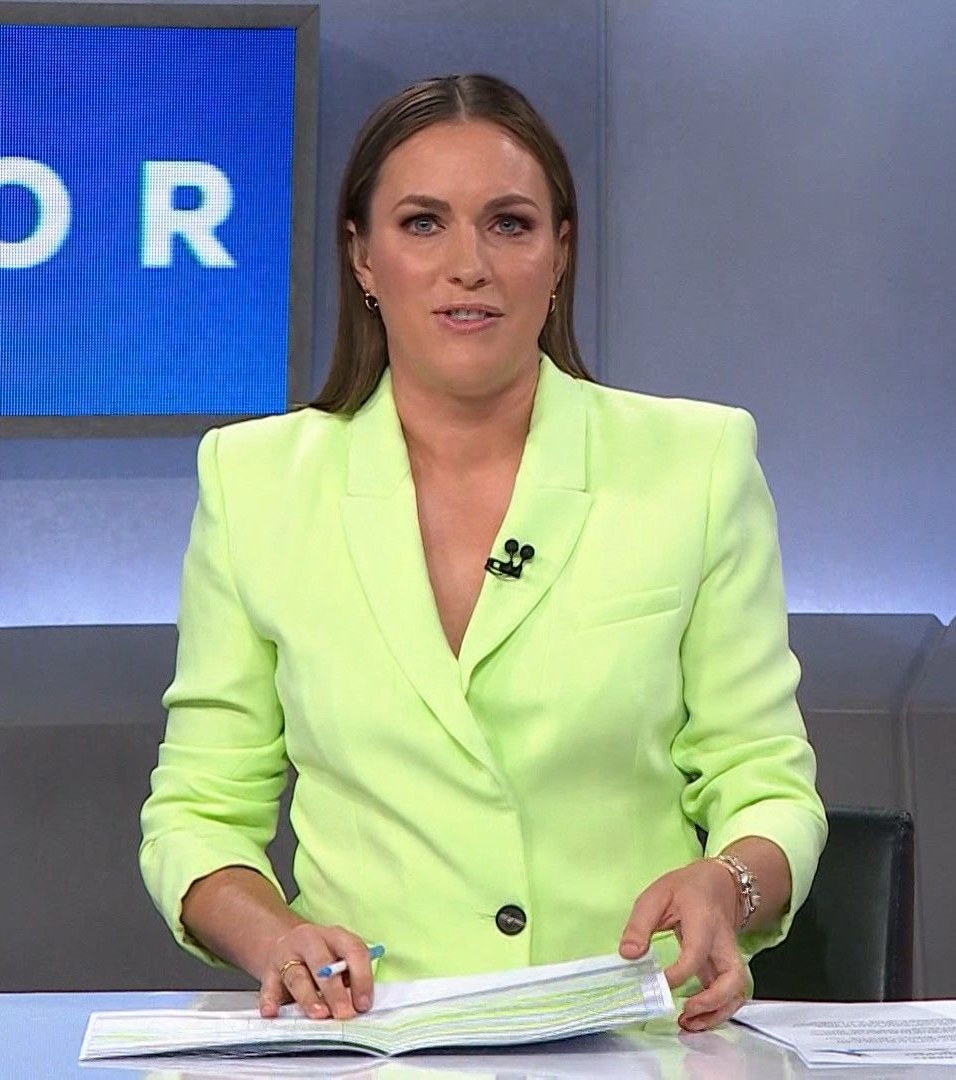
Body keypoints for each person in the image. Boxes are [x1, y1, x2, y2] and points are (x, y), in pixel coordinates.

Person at [139, 73, 825, 1034]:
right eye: (423, 224)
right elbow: (199, 813)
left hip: (630, 1032)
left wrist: (730, 882)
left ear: (559, 254)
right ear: (362, 256)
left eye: (509, 224)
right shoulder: (255, 482)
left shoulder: (694, 464)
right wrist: (274, 936)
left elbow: (766, 780)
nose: (469, 265)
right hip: (372, 1035)